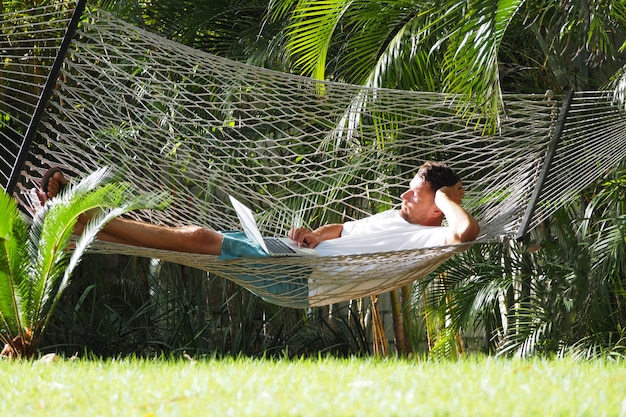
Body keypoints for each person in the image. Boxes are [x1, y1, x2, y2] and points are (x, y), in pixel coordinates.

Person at [38, 161, 480, 259]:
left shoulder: (430, 234)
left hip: (305, 276)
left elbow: (466, 234)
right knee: (193, 239)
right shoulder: (397, 217)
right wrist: (314, 232)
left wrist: (443, 197)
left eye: (414, 195)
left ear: (438, 209)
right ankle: (81, 226)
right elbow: (343, 229)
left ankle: (83, 217)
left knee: (196, 238)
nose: (404, 197)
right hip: (300, 258)